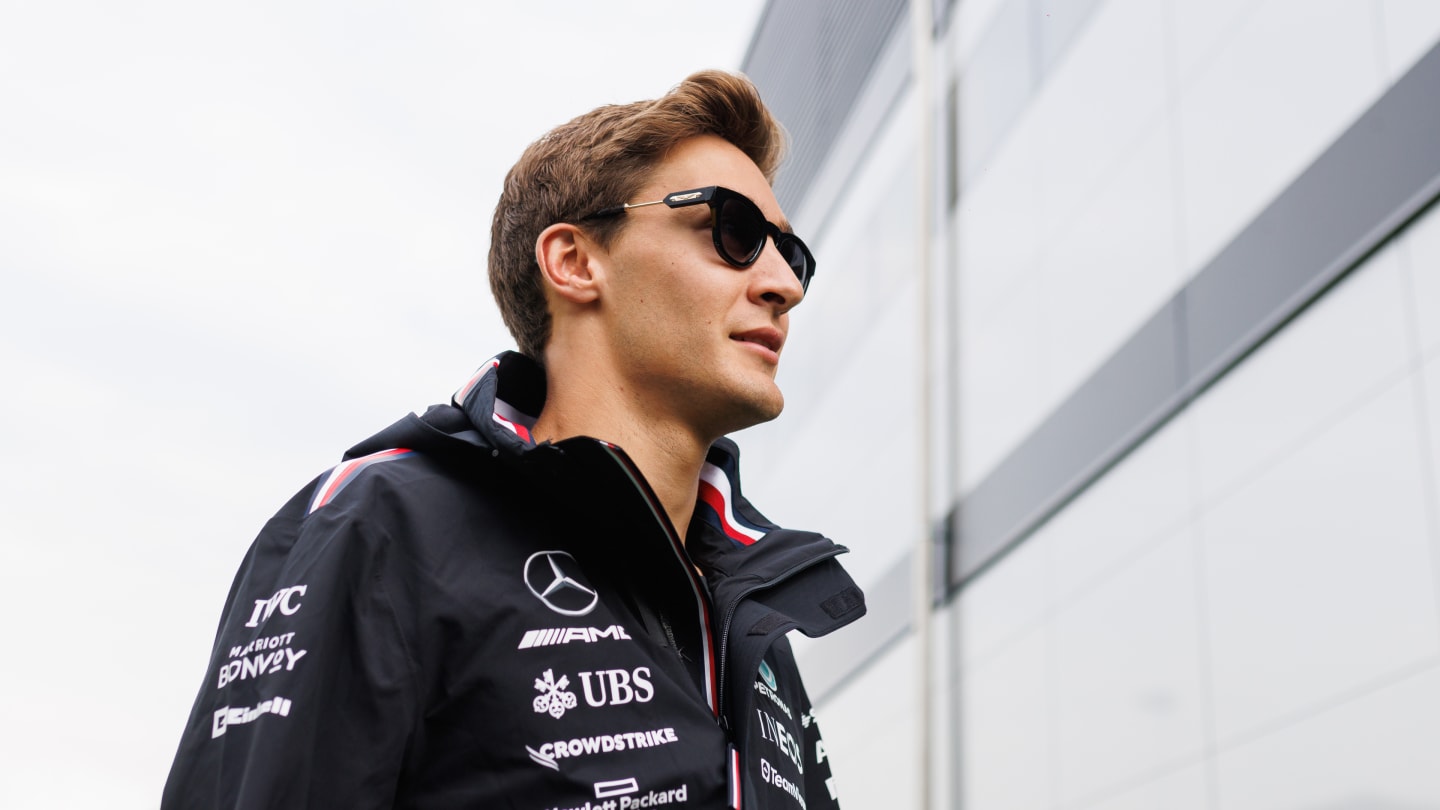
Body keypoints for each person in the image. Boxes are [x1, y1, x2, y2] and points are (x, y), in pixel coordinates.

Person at [161, 69, 865, 810]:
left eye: (794, 256)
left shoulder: (751, 617)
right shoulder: (386, 525)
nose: (783, 282)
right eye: (736, 232)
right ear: (574, 261)